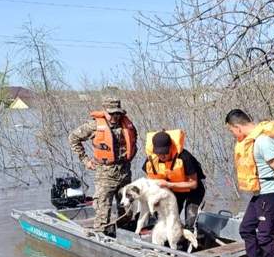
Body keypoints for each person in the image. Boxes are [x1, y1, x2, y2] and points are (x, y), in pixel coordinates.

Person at [225, 109, 274, 257]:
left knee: (264, 235)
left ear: (238, 127)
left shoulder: (263, 142)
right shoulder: (250, 142)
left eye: (231, 130)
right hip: (259, 194)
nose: (232, 134)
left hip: (271, 193)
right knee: (246, 228)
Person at [68, 97, 138, 233]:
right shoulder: (94, 125)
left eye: (117, 113)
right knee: (103, 207)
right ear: (105, 111)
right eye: (111, 113)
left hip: (125, 172)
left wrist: (131, 154)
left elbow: (134, 140)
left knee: (127, 207)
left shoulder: (127, 124)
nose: (114, 117)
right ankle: (101, 235)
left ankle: (126, 232)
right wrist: (85, 160)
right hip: (105, 174)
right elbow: (73, 138)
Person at [143, 129, 206, 229]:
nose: (162, 156)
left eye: (165, 152)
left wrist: (169, 185)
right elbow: (149, 180)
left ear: (170, 147)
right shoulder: (151, 160)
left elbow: (194, 184)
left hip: (194, 190)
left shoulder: (185, 157)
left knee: (190, 220)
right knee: (168, 218)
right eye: (159, 153)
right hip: (174, 190)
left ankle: (191, 238)